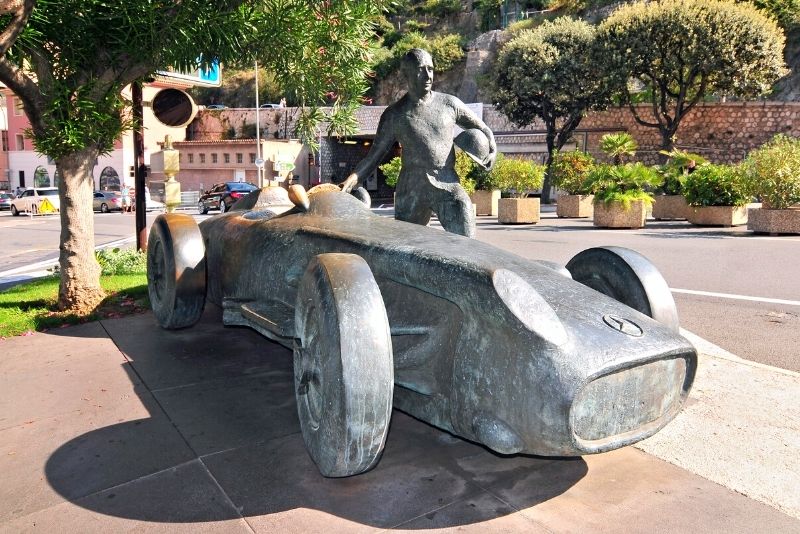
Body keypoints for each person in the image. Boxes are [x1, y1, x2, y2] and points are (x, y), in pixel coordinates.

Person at [341, 48, 496, 238]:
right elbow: (374, 156)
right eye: (421, 69)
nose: (428, 75)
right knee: (407, 247)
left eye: (430, 69)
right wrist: (353, 178)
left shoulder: (450, 104)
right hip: (411, 188)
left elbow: (483, 128)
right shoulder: (394, 115)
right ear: (407, 73)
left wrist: (491, 149)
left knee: (467, 236)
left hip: (446, 182)